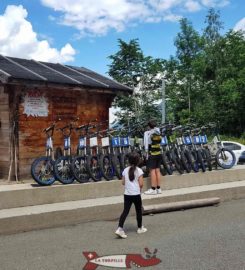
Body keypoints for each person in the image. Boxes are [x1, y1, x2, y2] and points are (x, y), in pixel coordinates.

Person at [115, 152, 147, 239]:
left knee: (125, 211)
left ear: (128, 161)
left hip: (127, 194)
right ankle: (140, 228)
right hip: (136, 194)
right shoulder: (139, 171)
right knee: (138, 211)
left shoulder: (125, 170)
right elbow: (141, 184)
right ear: (138, 161)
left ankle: (120, 228)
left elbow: (123, 182)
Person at [144, 120, 162, 195]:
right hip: (159, 153)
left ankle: (153, 189)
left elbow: (146, 145)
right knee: (157, 170)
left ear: (149, 126)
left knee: (152, 171)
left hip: (152, 154)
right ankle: (159, 188)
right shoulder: (159, 132)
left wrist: (146, 154)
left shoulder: (147, 133)